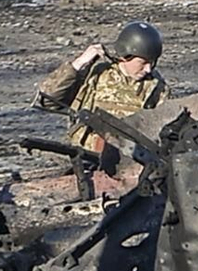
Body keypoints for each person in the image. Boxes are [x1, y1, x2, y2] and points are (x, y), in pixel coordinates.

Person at [37, 22, 167, 174]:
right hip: (86, 160)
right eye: (143, 62)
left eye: (152, 63)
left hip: (133, 165)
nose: (148, 69)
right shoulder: (96, 75)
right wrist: (79, 63)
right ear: (125, 56)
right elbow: (48, 100)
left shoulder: (156, 87)